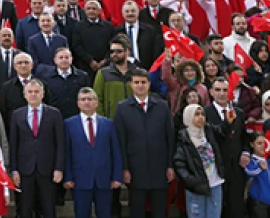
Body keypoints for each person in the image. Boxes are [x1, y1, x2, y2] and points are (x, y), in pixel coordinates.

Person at [114, 68, 175, 218]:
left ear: (149, 84)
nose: (140, 85)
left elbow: (170, 138)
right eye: (136, 82)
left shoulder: (162, 106)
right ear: (131, 85)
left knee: (160, 211)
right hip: (135, 171)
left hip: (159, 169)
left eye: (143, 82)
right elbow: (120, 141)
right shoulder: (122, 108)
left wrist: (170, 166)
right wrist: (125, 168)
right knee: (137, 211)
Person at [9, 78, 64, 218]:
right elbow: (14, 144)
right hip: (24, 170)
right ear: (24, 94)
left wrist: (59, 168)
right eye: (30, 92)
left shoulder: (54, 113)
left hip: (48, 169)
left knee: (48, 209)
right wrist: (14, 170)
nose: (33, 94)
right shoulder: (17, 115)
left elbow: (60, 143)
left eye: (36, 92)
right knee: (25, 209)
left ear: (43, 94)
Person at [64, 88, 122, 218]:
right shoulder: (69, 124)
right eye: (83, 99)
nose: (86, 102)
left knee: (105, 214)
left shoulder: (108, 124)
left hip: (104, 179)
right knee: (81, 214)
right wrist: (68, 176)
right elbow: (67, 152)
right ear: (78, 103)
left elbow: (115, 152)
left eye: (90, 99)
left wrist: (117, 176)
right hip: (80, 179)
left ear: (96, 103)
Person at [205, 77, 248, 218]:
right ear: (211, 92)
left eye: (225, 90)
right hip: (216, 168)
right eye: (218, 90)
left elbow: (244, 137)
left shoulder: (239, 113)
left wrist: (246, 153)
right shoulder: (205, 113)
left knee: (236, 207)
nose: (222, 93)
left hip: (236, 167)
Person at [173, 103, 225, 218]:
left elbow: (224, 132)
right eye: (196, 114)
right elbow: (179, 163)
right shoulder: (183, 137)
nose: (200, 117)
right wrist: (192, 181)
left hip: (215, 183)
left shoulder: (209, 130)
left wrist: (229, 122)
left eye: (202, 114)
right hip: (196, 187)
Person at [39, 47, 90, 119]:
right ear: (55, 60)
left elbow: (88, 97)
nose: (64, 60)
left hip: (77, 117)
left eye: (67, 57)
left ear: (71, 59)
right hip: (55, 118)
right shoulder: (46, 78)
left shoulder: (82, 76)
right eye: (61, 57)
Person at [244, 132, 270, 218]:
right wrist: (260, 168)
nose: (263, 146)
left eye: (264, 143)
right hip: (259, 203)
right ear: (252, 144)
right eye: (259, 143)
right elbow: (249, 172)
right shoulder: (251, 161)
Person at [93, 36, 133, 118]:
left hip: (133, 121)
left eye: (119, 51)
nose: (114, 54)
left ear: (127, 52)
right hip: (111, 121)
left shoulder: (137, 73)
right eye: (112, 51)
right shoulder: (103, 73)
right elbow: (97, 98)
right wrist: (103, 120)